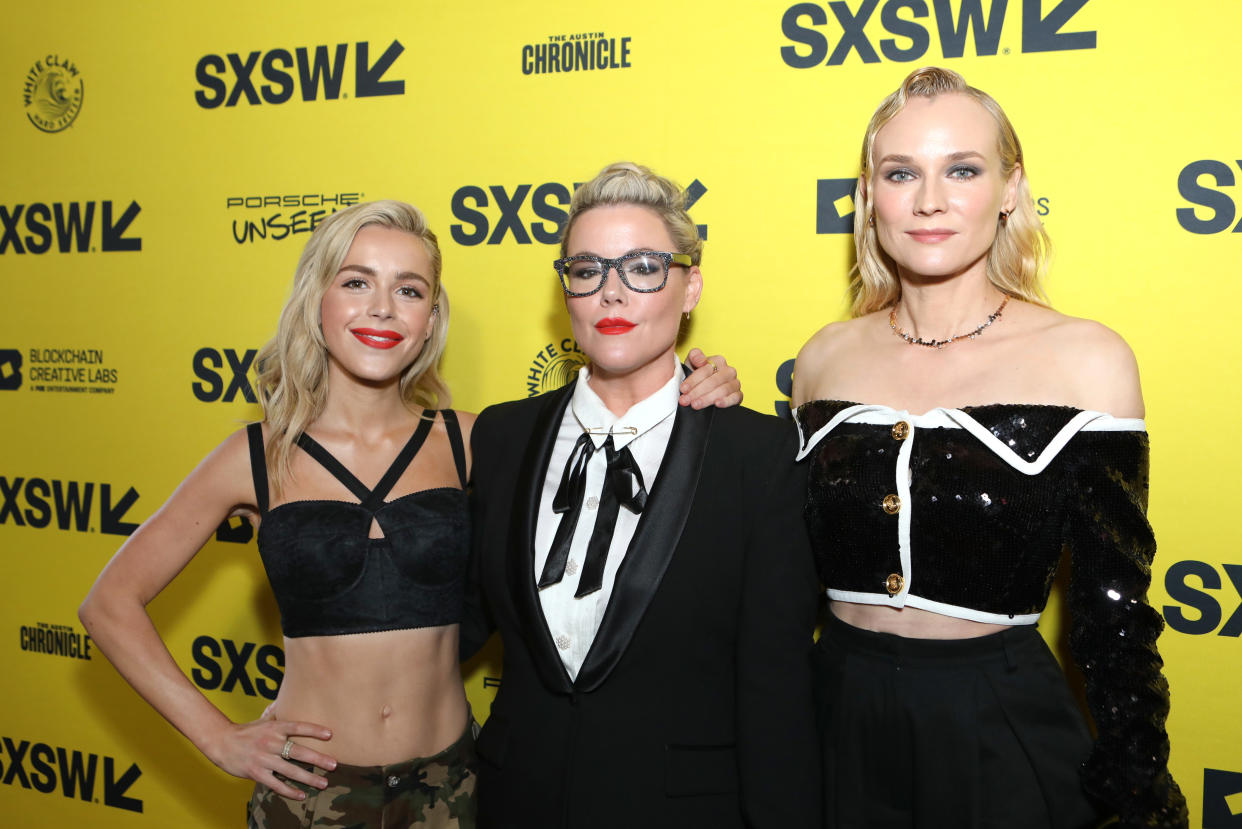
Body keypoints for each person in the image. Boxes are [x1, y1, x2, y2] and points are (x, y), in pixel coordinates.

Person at [78, 198, 743, 828]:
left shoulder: (476, 441)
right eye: (357, 282)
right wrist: (218, 736)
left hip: (451, 785)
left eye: (409, 289)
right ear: (318, 301)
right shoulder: (256, 455)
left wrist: (698, 387)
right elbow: (109, 604)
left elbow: (616, 441)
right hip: (311, 791)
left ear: (430, 318)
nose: (383, 309)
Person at [792, 67, 1186, 828]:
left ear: (1010, 188)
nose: (929, 200)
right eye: (901, 172)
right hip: (830, 714)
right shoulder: (822, 357)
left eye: (962, 170)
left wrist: (1139, 792)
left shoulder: (1087, 357)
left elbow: (1114, 610)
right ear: (870, 196)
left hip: (996, 726)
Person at [462, 162, 821, 829]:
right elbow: (453, 622)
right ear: (565, 289)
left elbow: (775, 685)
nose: (611, 294)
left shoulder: (756, 456)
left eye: (644, 267)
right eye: (587, 269)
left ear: (690, 289)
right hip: (516, 801)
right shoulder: (502, 435)